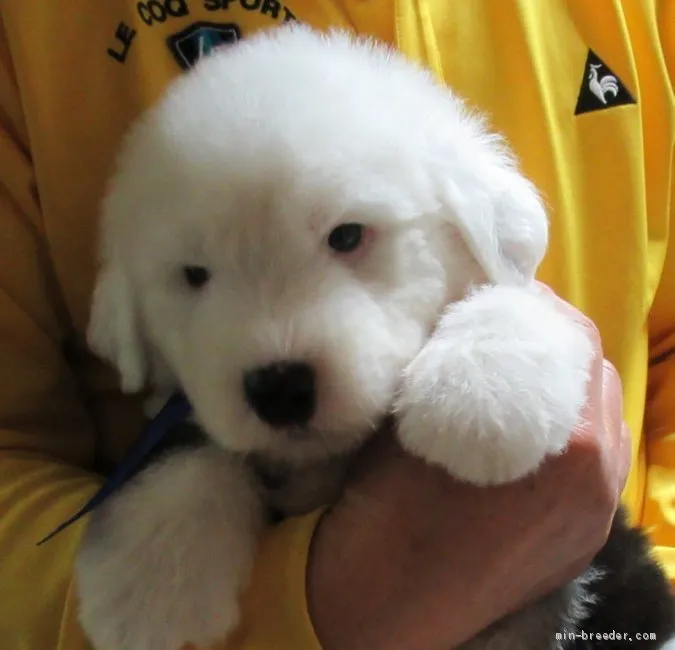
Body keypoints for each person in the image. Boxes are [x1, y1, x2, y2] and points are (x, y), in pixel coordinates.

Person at [0, 1, 670, 649]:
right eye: (197, 278)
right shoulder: (32, 31)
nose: (276, 339)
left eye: (348, 237)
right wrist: (332, 602)